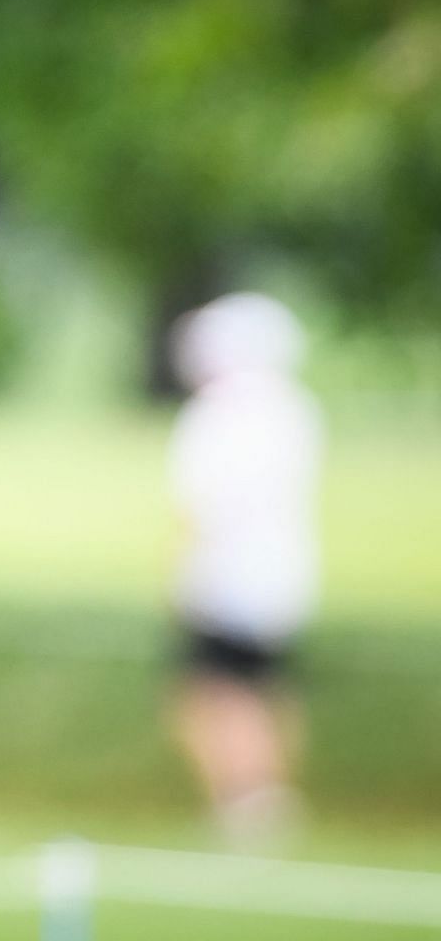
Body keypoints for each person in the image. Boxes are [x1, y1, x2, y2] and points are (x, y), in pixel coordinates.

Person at [165, 292, 322, 850]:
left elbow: (201, 506)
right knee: (263, 687)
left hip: (227, 576)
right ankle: (268, 797)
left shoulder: (217, 414)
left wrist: (185, 573)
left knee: (217, 693)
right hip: (285, 577)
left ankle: (244, 802)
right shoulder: (292, 409)